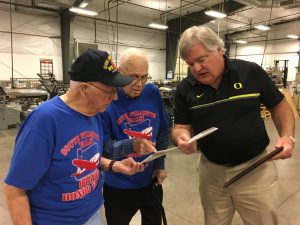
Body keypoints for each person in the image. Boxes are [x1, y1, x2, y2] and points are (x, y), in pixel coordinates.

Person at [4, 49, 145, 225]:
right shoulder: (45, 121)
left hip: (92, 213)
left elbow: (85, 159)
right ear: (85, 89)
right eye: (110, 90)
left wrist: (114, 165)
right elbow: (14, 190)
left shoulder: (94, 113)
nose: (115, 97)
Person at [171, 25, 295, 225]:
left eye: (201, 60)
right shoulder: (185, 89)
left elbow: (279, 105)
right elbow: (180, 127)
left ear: (219, 50)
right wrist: (182, 138)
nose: (196, 69)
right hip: (211, 173)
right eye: (190, 63)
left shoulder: (250, 72)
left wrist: (287, 136)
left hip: (255, 169)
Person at [100, 48, 170, 225]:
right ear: (120, 72)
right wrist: (130, 146)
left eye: (144, 77)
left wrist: (160, 165)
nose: (139, 84)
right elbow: (102, 149)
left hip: (151, 182)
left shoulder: (152, 92)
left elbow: (162, 130)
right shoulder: (107, 100)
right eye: (133, 76)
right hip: (119, 187)